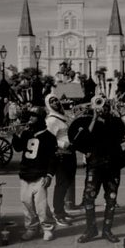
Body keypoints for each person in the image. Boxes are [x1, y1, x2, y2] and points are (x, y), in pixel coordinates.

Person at [68, 93, 125, 242]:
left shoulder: (116, 121)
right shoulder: (89, 121)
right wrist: (94, 119)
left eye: (106, 105)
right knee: (89, 198)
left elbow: (119, 136)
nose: (103, 108)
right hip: (94, 165)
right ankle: (91, 229)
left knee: (111, 199)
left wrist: (110, 117)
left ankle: (107, 230)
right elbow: (82, 140)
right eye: (100, 105)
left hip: (112, 166)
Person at [11, 106, 58, 240]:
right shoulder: (27, 133)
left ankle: (47, 227)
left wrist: (49, 175)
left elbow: (53, 158)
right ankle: (32, 227)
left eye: (33, 116)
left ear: (41, 118)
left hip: (40, 174)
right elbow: (18, 148)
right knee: (26, 203)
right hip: (25, 174)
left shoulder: (49, 137)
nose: (30, 118)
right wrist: (16, 135)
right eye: (30, 116)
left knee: (41, 205)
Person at [43, 94, 78, 227]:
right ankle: (58, 213)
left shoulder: (61, 116)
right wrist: (64, 144)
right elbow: (48, 139)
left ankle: (61, 210)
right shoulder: (51, 120)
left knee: (66, 183)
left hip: (70, 153)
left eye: (56, 100)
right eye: (51, 102)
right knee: (61, 185)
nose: (55, 103)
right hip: (61, 154)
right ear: (48, 105)